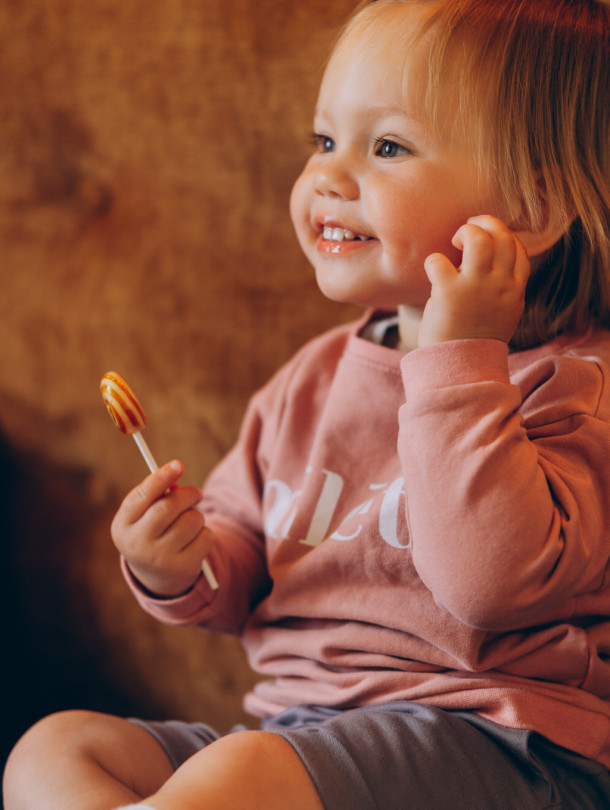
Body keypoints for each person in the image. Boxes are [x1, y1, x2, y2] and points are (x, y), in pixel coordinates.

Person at [4, 0, 610, 808]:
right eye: (324, 141)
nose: (327, 175)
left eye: (387, 146)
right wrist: (180, 563)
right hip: (302, 732)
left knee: (241, 777)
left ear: (528, 210)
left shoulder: (576, 390)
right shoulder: (313, 380)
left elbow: (487, 586)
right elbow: (244, 567)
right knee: (56, 748)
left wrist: (458, 360)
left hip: (500, 744)